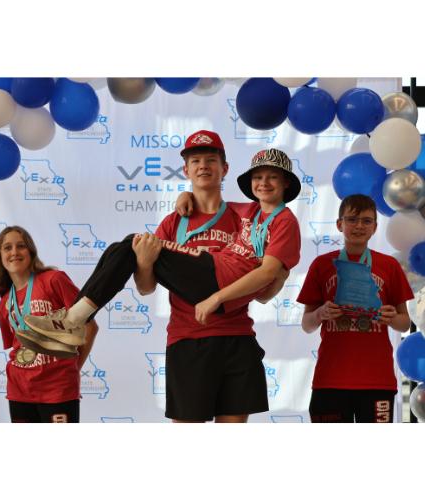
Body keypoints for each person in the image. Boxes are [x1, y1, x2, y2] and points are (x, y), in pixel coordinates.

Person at [25, 148, 302, 365]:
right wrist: (185, 194)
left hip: (217, 285)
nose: (264, 183)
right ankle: (74, 320)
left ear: (286, 182)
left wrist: (217, 297)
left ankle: (74, 321)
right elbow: (213, 202)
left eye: (272, 177)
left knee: (130, 243)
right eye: (258, 177)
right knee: (124, 247)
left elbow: (267, 276)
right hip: (209, 285)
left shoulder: (285, 221)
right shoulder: (250, 211)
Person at [133, 131, 288, 423]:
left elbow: (263, 290)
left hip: (238, 337)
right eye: (196, 161)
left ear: (225, 168)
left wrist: (278, 279)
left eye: (211, 160)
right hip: (188, 338)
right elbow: (146, 288)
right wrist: (143, 263)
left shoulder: (248, 217)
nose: (204, 166)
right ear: (186, 170)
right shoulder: (172, 222)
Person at [297, 194, 412, 423]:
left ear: (375, 228)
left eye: (367, 221)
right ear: (340, 224)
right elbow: (307, 324)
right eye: (352, 219)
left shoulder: (389, 265)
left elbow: (405, 321)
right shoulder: (321, 265)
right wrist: (321, 313)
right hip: (330, 378)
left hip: (376, 378)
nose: (359, 225)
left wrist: (391, 318)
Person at [0, 226, 97, 423]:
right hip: (19, 391)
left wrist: (72, 370)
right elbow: (17, 348)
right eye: (7, 248)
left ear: (31, 252)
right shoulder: (4, 304)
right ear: (0, 257)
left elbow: (90, 327)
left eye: (21, 246)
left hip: (58, 389)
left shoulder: (54, 280)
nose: (14, 252)